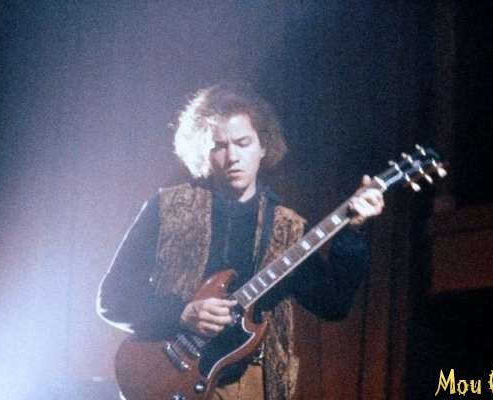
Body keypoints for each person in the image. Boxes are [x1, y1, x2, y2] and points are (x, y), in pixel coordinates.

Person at [97, 81, 384, 400]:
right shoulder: (167, 208)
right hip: (166, 376)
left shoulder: (288, 229)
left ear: (263, 146)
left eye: (243, 143)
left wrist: (353, 232)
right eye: (219, 146)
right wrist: (182, 313)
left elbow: (333, 305)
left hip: (250, 384)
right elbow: (112, 298)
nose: (232, 156)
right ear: (203, 151)